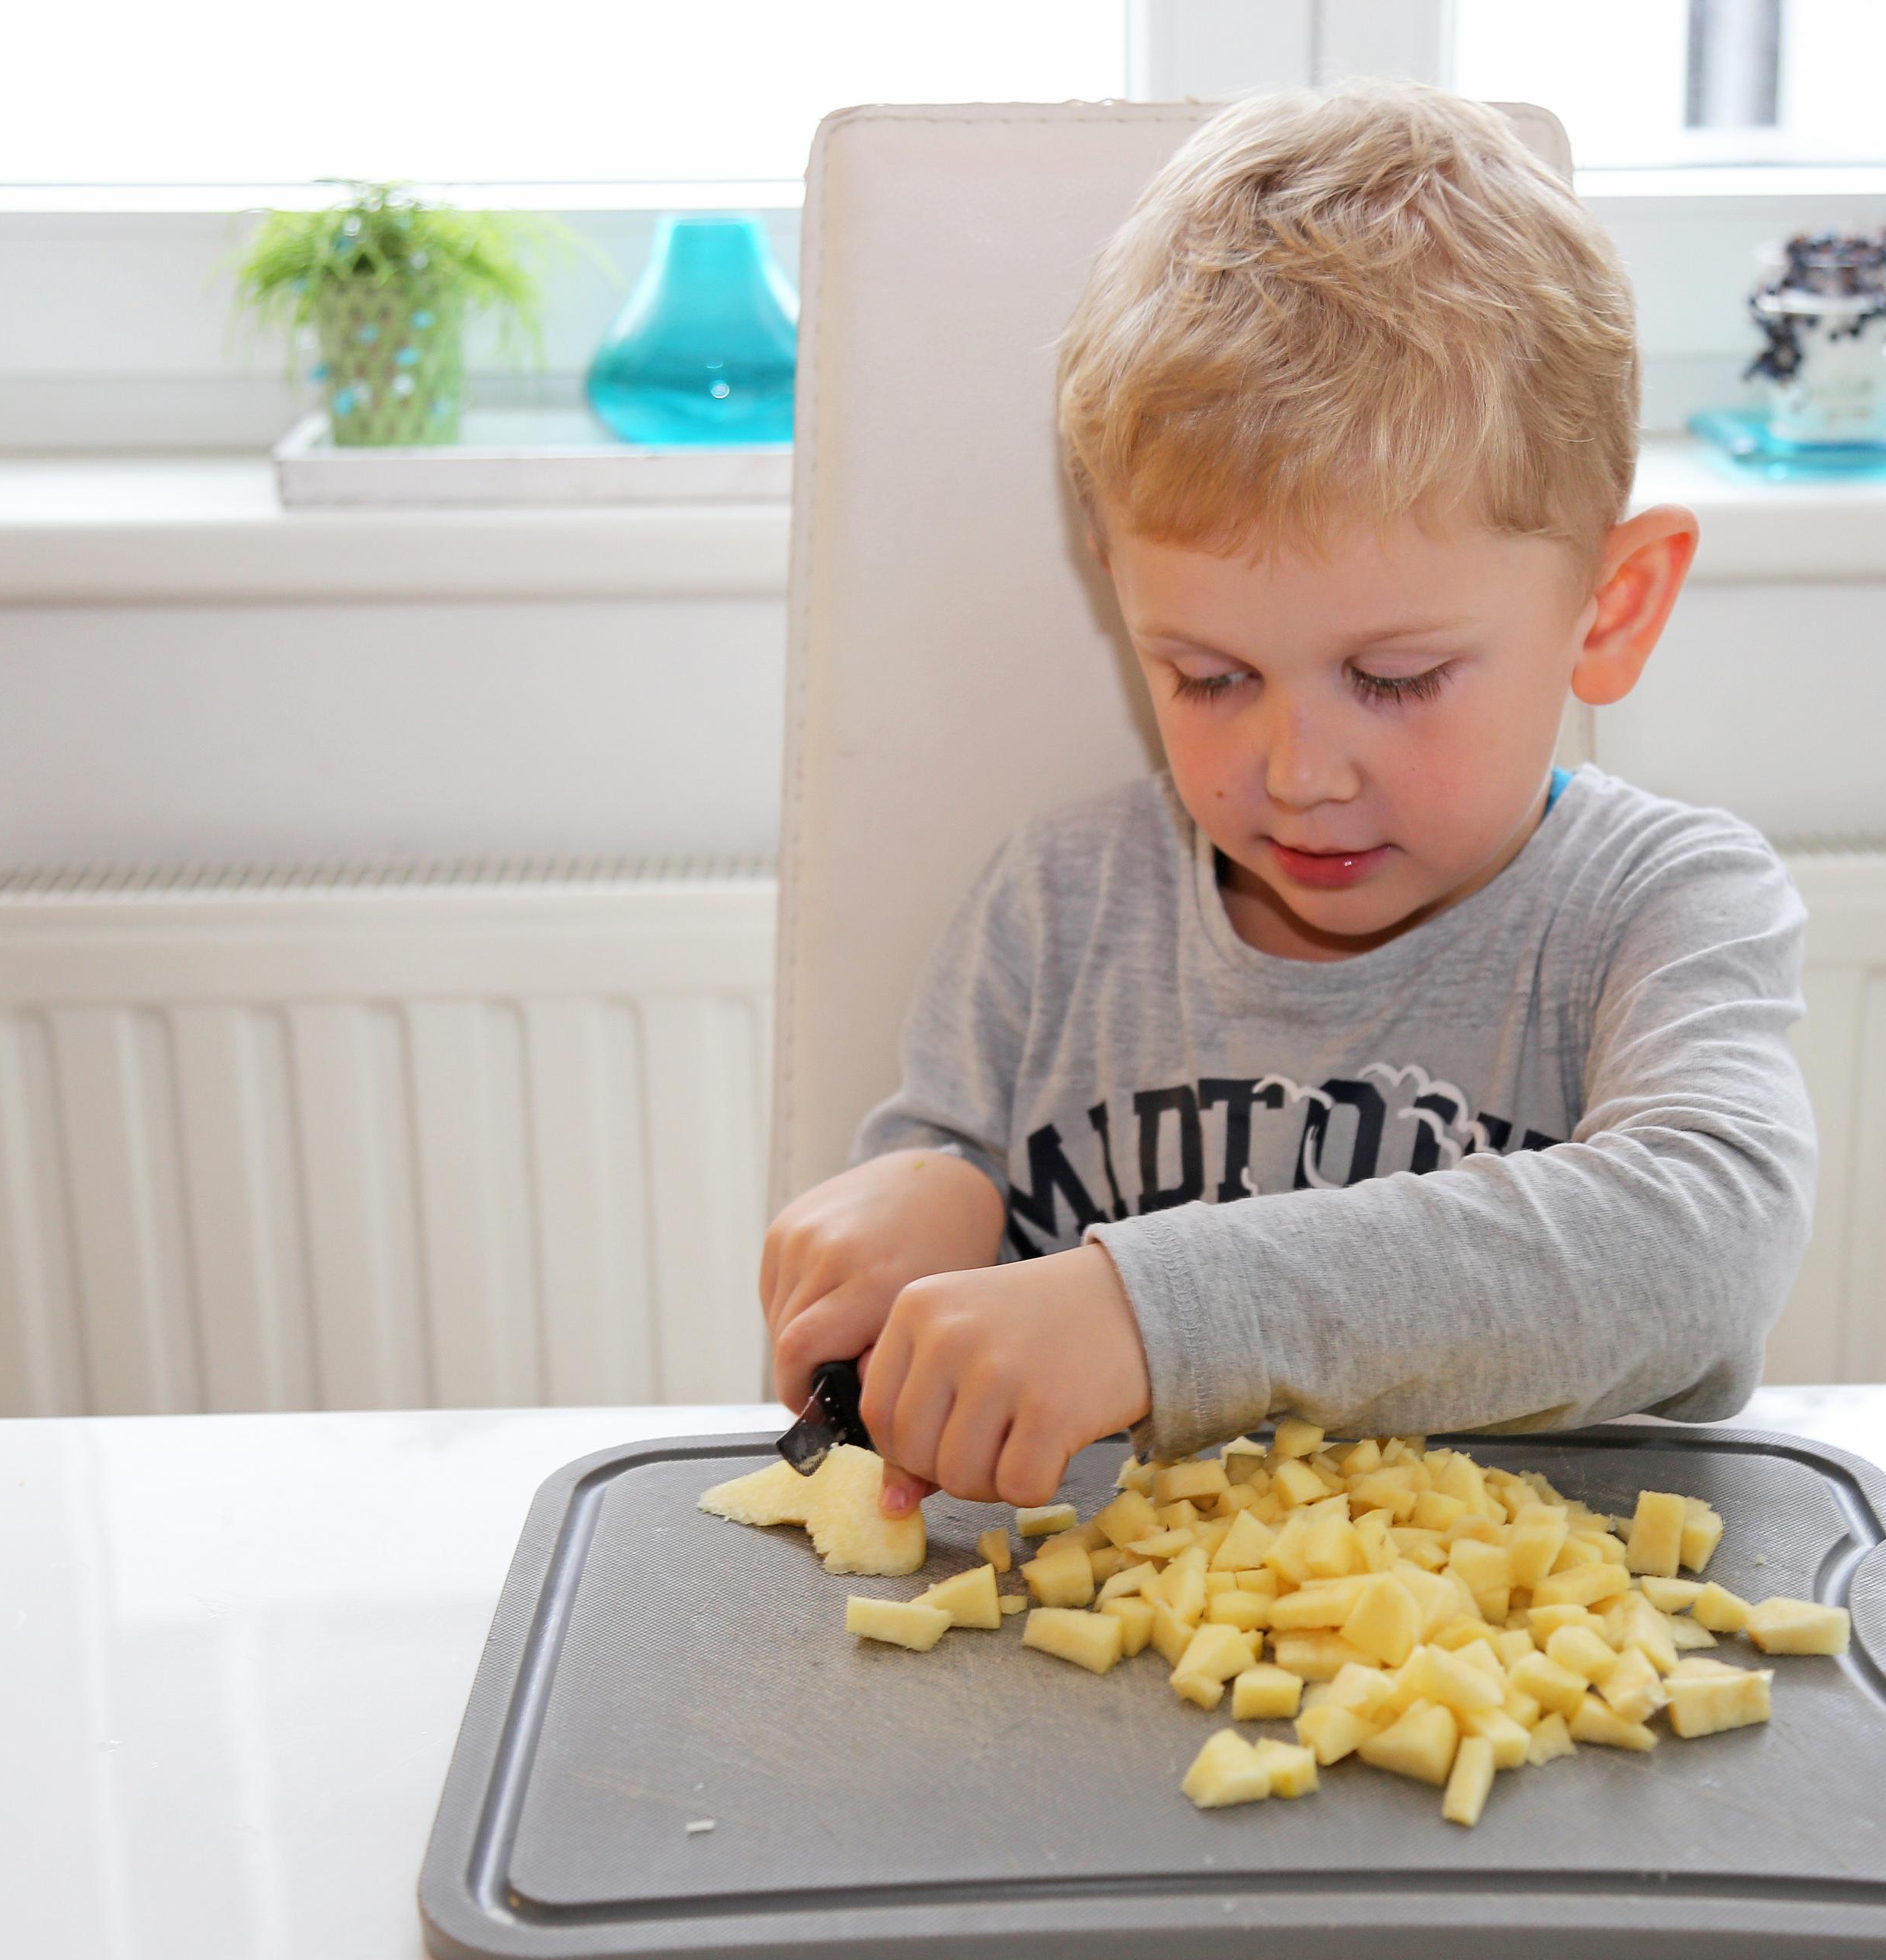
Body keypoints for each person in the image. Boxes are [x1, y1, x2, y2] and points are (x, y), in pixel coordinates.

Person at [757, 79, 1815, 1520]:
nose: (1300, 772)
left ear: (1611, 607)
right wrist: (929, 1194)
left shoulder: (1665, 903)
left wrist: (1152, 1314)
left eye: (1394, 677)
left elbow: (1707, 1246)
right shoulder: (1055, 908)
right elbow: (943, 1200)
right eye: (1206, 676)